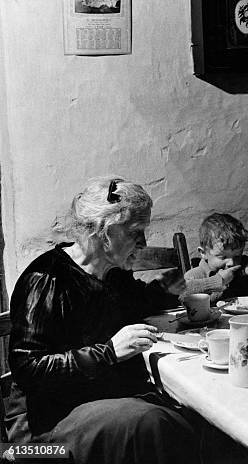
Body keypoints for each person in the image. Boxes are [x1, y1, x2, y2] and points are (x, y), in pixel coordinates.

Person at [5, 177, 200, 464]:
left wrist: (168, 290)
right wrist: (107, 353)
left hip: (106, 400)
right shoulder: (46, 279)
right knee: (149, 424)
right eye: (136, 232)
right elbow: (28, 370)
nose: (143, 242)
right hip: (47, 427)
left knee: (193, 421)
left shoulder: (112, 272)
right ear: (105, 233)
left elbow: (132, 304)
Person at [183, 213, 248, 303]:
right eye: (223, 257)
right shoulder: (195, 276)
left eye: (237, 256)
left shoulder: (243, 276)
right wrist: (219, 281)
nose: (231, 262)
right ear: (203, 253)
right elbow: (182, 296)